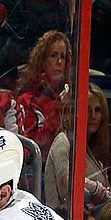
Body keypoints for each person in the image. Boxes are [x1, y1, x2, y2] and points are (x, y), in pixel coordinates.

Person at [44, 84, 111, 214]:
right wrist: (96, 189)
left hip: (95, 215)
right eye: (87, 109)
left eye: (98, 110)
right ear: (75, 111)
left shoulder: (93, 148)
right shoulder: (63, 141)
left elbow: (107, 194)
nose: (93, 116)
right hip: (67, 217)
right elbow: (67, 187)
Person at [16, 30, 71, 162]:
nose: (59, 62)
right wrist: (59, 110)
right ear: (41, 61)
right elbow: (29, 149)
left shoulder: (73, 98)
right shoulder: (28, 100)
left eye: (63, 57)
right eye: (53, 55)